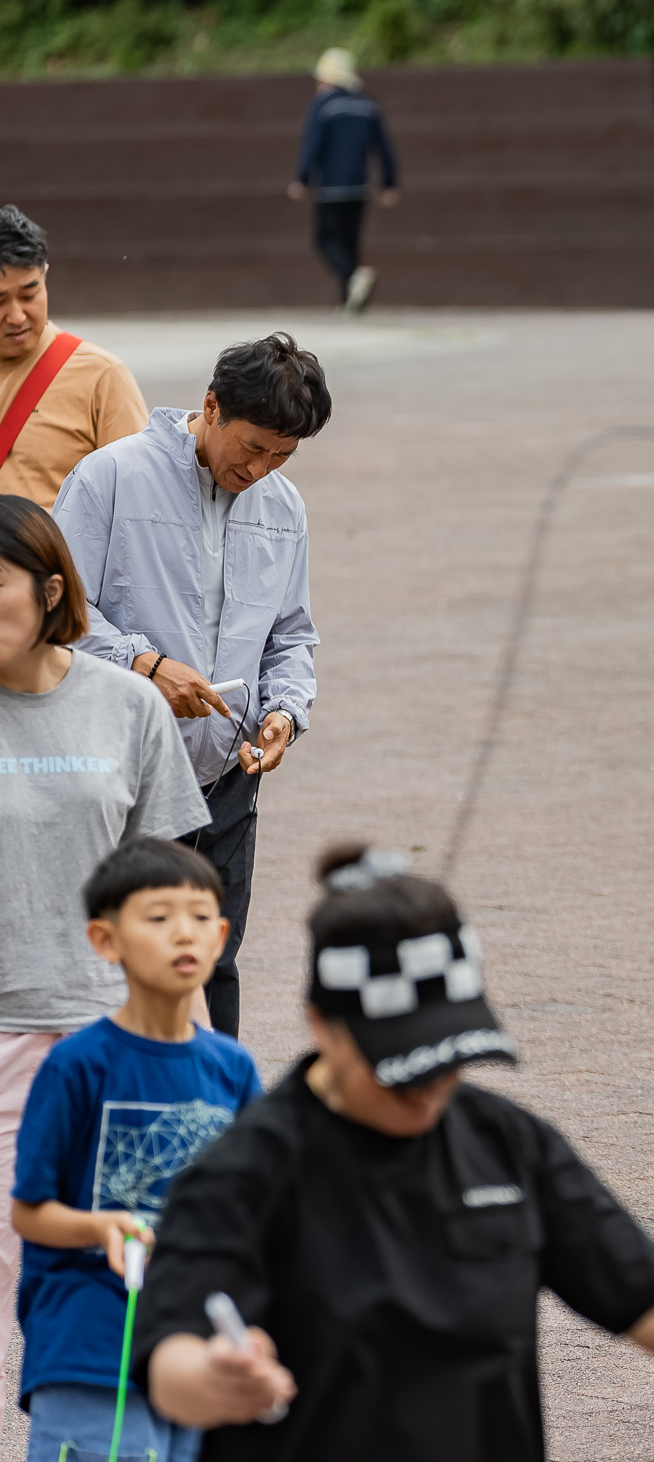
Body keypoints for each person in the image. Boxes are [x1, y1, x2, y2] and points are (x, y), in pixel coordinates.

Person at [128, 845, 654, 1459]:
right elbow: (168, 1363)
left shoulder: (504, 1143)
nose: (429, 1088)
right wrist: (216, 1381)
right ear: (319, 1024)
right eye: (399, 1063)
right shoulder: (246, 1170)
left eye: (448, 1057)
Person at [53, 333, 330, 1038]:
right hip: (123, 765)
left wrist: (286, 714)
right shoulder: (108, 476)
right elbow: (59, 612)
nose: (261, 468)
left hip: (230, 771)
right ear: (210, 405)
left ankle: (218, 1134)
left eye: (283, 455)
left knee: (215, 957)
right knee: (121, 959)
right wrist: (144, 664)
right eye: (253, 446)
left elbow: (291, 636)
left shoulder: (285, 505)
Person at [0, 498, 208, 1339]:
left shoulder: (129, 706)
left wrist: (177, 1042)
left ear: (51, 590)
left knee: (123, 1284)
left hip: (111, 1033)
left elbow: (166, 898)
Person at [11, 840, 260, 1462]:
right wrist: (103, 1227)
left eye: (201, 918)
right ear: (105, 940)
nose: (185, 935)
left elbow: (261, 1203)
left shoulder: (233, 1070)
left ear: (222, 934)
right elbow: (28, 1211)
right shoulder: (76, 1065)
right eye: (158, 917)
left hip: (200, 1347)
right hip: (89, 1348)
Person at [0, 205, 147, 509]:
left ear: (45, 276)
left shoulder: (101, 376)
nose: (16, 316)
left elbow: (138, 502)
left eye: (29, 295)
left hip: (52, 557)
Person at [286, 49, 398, 314]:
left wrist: (301, 179)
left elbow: (312, 145)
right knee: (349, 242)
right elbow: (384, 148)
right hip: (360, 188)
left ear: (326, 79)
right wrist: (389, 183)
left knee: (325, 239)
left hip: (331, 187)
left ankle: (353, 276)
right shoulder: (368, 105)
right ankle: (350, 300)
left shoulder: (323, 106)